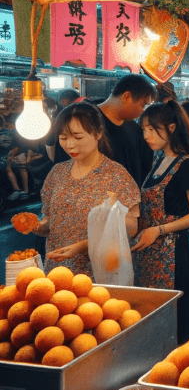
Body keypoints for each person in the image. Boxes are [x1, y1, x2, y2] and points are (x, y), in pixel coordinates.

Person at [31, 103, 140, 277]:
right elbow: (50, 220)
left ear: (98, 133)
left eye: (78, 137)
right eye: (63, 138)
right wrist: (39, 226)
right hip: (58, 271)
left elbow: (132, 227)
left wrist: (87, 244)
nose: (70, 145)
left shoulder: (116, 175)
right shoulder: (57, 173)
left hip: (99, 273)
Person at [133, 101, 189, 342]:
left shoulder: (187, 165)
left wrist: (160, 229)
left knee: (175, 324)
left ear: (172, 128)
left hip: (173, 255)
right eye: (144, 129)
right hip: (147, 254)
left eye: (153, 130)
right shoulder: (158, 161)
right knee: (152, 322)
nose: (147, 135)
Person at [95, 74, 157, 187]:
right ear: (126, 96)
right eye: (143, 105)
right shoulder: (87, 121)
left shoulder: (137, 131)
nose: (143, 110)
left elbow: (144, 171)